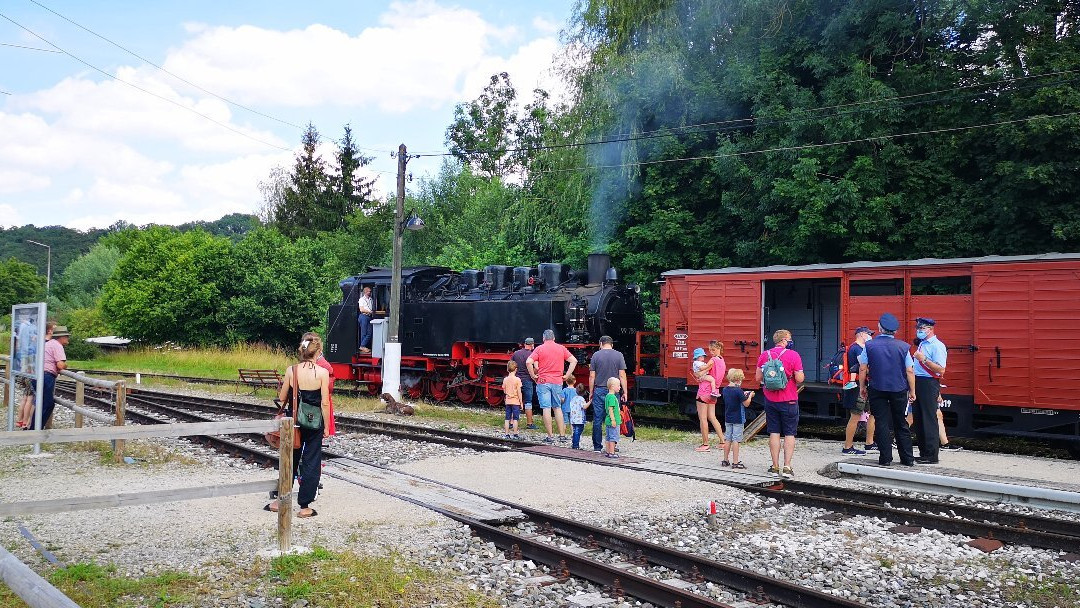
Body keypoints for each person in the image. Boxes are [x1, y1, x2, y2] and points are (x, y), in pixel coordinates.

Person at [267, 334, 331, 518]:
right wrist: (326, 427)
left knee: (289, 460)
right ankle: (304, 506)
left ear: (302, 351)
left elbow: (282, 398)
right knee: (311, 461)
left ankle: (279, 501)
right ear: (317, 352)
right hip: (314, 423)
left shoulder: (291, 370)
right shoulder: (322, 373)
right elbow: (324, 403)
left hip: (292, 423)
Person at [858, 313, 916, 467]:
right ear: (895, 331)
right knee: (901, 422)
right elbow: (909, 371)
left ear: (880, 328)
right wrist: (912, 391)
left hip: (877, 388)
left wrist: (862, 387)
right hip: (899, 389)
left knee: (881, 422)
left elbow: (863, 368)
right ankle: (907, 459)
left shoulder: (869, 346)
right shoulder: (904, 347)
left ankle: (885, 459)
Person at [755, 329, 804, 479]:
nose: (790, 342)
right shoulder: (793, 355)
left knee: (774, 432)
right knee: (789, 433)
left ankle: (775, 467)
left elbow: (758, 378)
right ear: (783, 340)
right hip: (789, 399)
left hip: (770, 399)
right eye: (789, 339)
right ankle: (787, 467)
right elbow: (800, 379)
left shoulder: (764, 355)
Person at [527, 329, 577, 443]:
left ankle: (550, 436)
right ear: (554, 338)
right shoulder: (561, 348)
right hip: (557, 381)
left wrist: (533, 375)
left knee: (546, 408)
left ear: (543, 338)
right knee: (557, 407)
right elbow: (574, 360)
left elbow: (528, 362)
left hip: (543, 381)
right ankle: (562, 435)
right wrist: (567, 375)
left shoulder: (539, 349)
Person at [911, 317, 947, 464]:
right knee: (919, 419)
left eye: (921, 329)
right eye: (918, 329)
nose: (919, 331)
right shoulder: (922, 343)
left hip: (928, 382)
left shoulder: (937, 346)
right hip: (918, 381)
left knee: (929, 419)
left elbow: (941, 370)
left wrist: (923, 359)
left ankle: (932, 456)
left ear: (930, 329)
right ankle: (924, 453)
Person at [588, 335, 627, 453]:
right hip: (614, 391)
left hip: (599, 390)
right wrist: (625, 391)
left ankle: (597, 446)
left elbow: (592, 376)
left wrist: (591, 392)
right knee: (613, 416)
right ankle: (612, 446)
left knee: (598, 419)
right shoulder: (619, 355)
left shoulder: (595, 355)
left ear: (600, 344)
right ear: (612, 344)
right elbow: (622, 375)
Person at [841, 326, 874, 455]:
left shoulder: (861, 348)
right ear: (861, 334)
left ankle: (869, 443)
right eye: (868, 334)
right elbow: (863, 367)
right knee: (855, 416)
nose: (870, 336)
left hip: (864, 385)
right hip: (857, 387)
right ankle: (848, 447)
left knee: (872, 413)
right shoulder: (856, 349)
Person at [31, 324, 68, 430]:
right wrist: (66, 366)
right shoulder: (57, 345)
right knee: (48, 404)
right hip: (46, 376)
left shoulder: (48, 343)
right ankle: (36, 429)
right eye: (66, 336)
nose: (67, 338)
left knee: (41, 402)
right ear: (61, 337)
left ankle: (34, 427)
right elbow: (60, 365)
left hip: (37, 374)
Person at [691, 343, 727, 452]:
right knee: (712, 416)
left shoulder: (713, 360)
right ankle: (722, 442)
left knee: (702, 418)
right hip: (714, 391)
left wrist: (698, 375)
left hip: (704, 391)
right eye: (710, 350)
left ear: (719, 348)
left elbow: (701, 371)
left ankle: (705, 444)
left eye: (713, 350)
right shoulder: (722, 360)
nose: (711, 352)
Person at [17, 321, 52, 429]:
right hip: (33, 372)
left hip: (26, 369)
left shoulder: (32, 341)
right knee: (31, 400)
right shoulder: (43, 342)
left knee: (25, 397)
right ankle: (27, 422)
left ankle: (20, 420)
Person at [720, 368, 753, 469]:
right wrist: (750, 395)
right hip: (738, 419)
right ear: (738, 380)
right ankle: (735, 462)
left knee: (728, 439)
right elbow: (746, 404)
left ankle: (725, 460)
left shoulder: (725, 390)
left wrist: (744, 395)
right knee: (736, 440)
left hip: (728, 418)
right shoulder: (738, 391)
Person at [511, 338, 538, 429]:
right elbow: (536, 368)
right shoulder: (532, 355)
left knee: (514, 400)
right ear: (532, 345)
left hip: (517, 379)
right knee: (528, 402)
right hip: (528, 380)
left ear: (524, 344)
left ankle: (511, 422)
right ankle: (529, 423)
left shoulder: (516, 353)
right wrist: (533, 374)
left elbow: (511, 366)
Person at [502, 360, 523, 439]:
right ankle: (515, 434)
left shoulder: (505, 379)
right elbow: (519, 392)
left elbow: (504, 390)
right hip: (515, 402)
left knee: (507, 418)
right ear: (516, 369)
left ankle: (507, 434)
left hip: (508, 401)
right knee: (515, 419)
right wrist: (521, 402)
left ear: (507, 369)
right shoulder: (517, 379)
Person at [603, 377, 622, 458]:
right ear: (613, 386)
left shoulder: (608, 396)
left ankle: (608, 452)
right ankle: (612, 452)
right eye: (619, 385)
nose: (620, 387)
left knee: (608, 437)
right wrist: (613, 420)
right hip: (613, 421)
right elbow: (611, 409)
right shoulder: (612, 397)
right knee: (613, 437)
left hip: (608, 420)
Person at [568, 384, 589, 449]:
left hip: (573, 418)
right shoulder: (581, 399)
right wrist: (590, 402)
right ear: (584, 392)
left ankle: (574, 443)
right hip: (579, 419)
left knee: (575, 431)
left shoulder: (573, 398)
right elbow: (584, 406)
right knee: (578, 431)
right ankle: (575, 445)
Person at [357, 286, 374, 354]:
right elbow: (361, 309)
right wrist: (370, 312)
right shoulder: (361, 299)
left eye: (370, 291)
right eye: (369, 291)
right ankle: (362, 347)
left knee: (369, 333)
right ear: (365, 292)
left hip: (369, 317)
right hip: (363, 316)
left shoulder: (371, 299)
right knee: (364, 333)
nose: (370, 292)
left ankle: (363, 346)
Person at [560, 376, 577, 441]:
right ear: (575, 381)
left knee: (564, 422)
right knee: (572, 422)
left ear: (566, 382)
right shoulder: (576, 391)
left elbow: (562, 400)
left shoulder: (564, 390)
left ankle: (563, 435)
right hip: (573, 409)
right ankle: (573, 435)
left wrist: (560, 401)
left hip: (565, 408)